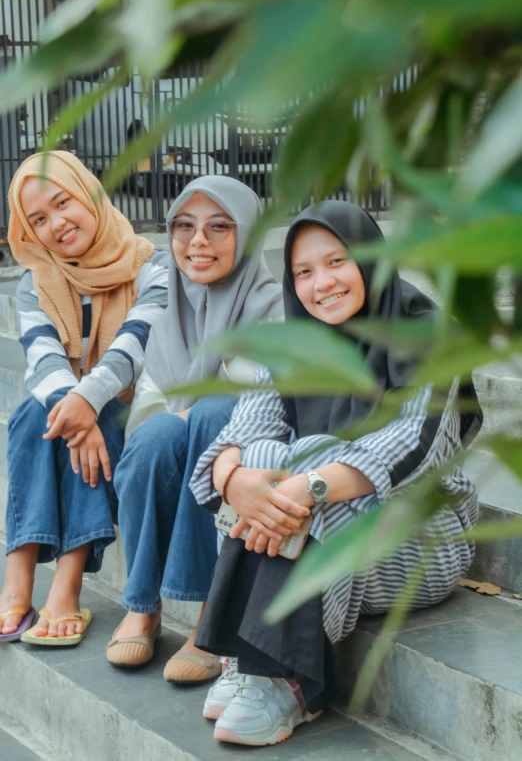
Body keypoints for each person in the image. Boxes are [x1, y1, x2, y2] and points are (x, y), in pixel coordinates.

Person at [189, 200, 482, 746]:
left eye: (337, 262)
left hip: (419, 541)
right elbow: (243, 428)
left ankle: (288, 678)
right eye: (303, 272)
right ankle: (257, 659)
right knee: (260, 460)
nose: (320, 283)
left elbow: (410, 447)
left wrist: (304, 482)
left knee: (311, 458)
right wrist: (234, 479)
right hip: (324, 539)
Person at [107, 176, 283, 682]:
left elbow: (259, 399)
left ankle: (212, 614)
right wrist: (176, 419)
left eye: (218, 227)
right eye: (184, 227)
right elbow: (150, 403)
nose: (197, 242)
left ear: (246, 233)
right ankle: (142, 605)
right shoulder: (162, 303)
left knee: (210, 414)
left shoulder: (270, 304)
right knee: (153, 437)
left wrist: (195, 410)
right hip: (186, 434)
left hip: (249, 447)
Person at [0, 151, 168, 646]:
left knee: (78, 416)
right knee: (38, 411)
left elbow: (134, 346)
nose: (56, 224)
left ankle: (67, 584)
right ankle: (19, 576)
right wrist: (79, 412)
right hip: (71, 412)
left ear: (90, 192)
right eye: (38, 220)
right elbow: (42, 357)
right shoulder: (35, 282)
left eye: (62, 203)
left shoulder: (151, 265)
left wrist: (86, 405)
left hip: (133, 405)